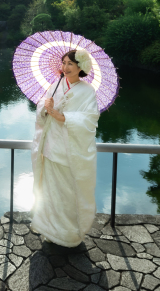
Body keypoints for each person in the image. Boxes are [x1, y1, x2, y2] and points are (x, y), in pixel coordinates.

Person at [31, 49, 100, 248]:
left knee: (68, 195)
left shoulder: (87, 91)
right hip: (51, 147)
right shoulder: (56, 85)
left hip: (70, 151)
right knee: (50, 194)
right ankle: (50, 230)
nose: (66, 67)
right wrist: (45, 107)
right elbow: (41, 112)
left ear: (81, 67)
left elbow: (90, 120)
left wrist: (62, 117)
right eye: (64, 63)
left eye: (70, 63)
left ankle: (69, 235)